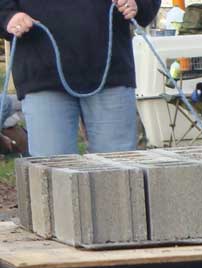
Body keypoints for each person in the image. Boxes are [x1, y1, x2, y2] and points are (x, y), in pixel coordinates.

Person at [0, 0, 161, 156]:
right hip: (40, 71)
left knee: (119, 173)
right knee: (53, 173)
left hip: (110, 70)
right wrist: (7, 16)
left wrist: (139, 4)